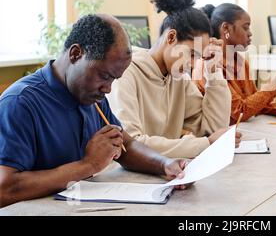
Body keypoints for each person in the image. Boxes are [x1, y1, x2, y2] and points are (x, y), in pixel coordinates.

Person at [0, 14, 188, 208]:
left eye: (114, 79)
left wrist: (165, 164)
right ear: (75, 54)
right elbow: (4, 188)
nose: (108, 88)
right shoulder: (19, 104)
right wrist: (87, 166)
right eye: (104, 76)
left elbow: (126, 146)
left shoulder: (91, 97)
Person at [108, 0, 238, 159]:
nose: (193, 64)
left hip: (165, 173)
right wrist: (204, 144)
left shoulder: (178, 78)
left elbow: (212, 129)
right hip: (126, 178)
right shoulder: (125, 73)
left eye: (198, 57)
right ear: (171, 37)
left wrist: (213, 73)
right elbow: (131, 143)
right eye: (192, 54)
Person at [196, 3, 276, 125]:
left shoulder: (240, 61)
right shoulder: (209, 65)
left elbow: (252, 102)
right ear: (226, 28)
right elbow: (240, 112)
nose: (250, 33)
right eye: (245, 28)